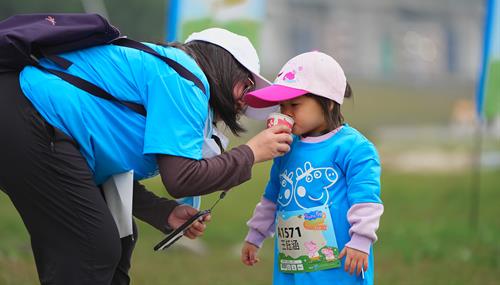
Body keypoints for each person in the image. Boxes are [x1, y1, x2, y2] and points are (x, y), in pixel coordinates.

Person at [0, 27, 292, 285]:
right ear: (224, 65)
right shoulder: (184, 79)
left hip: (32, 120)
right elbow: (182, 179)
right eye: (248, 86)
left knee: (119, 238)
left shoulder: (174, 74)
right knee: (93, 247)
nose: (245, 103)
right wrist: (251, 153)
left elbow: (108, 167)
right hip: (30, 115)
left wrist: (162, 212)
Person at [240, 51, 384, 285]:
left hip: (338, 264)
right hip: (293, 264)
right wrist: (255, 236)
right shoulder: (286, 146)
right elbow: (272, 198)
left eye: (294, 104)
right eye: (282, 106)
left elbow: (366, 200)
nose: (286, 113)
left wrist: (361, 240)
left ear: (327, 102)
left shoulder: (353, 147)